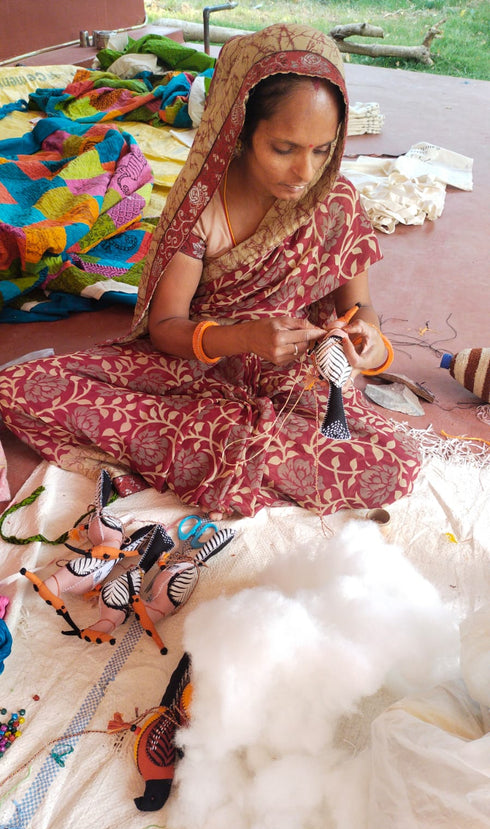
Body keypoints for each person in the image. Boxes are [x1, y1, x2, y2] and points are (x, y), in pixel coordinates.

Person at [0, 24, 420, 519]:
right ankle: (228, 451)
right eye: (284, 149)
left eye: (322, 150)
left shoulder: (336, 201)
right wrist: (242, 338)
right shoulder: (202, 203)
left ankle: (205, 451)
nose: (305, 172)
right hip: (194, 365)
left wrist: (370, 342)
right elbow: (166, 327)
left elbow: (359, 306)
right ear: (240, 129)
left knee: (395, 464)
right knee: (20, 387)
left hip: (294, 378)